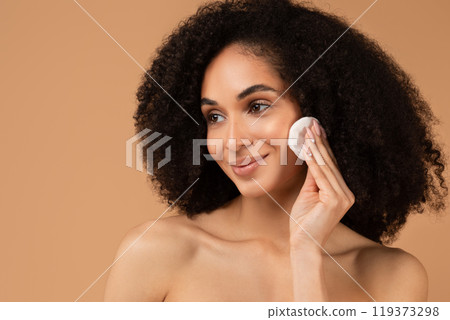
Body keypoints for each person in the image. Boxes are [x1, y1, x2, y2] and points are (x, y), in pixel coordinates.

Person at [104, 0, 448, 301]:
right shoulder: (156, 252)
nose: (232, 141)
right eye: (215, 116)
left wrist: (306, 253)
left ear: (320, 110)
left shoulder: (392, 276)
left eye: (257, 106)